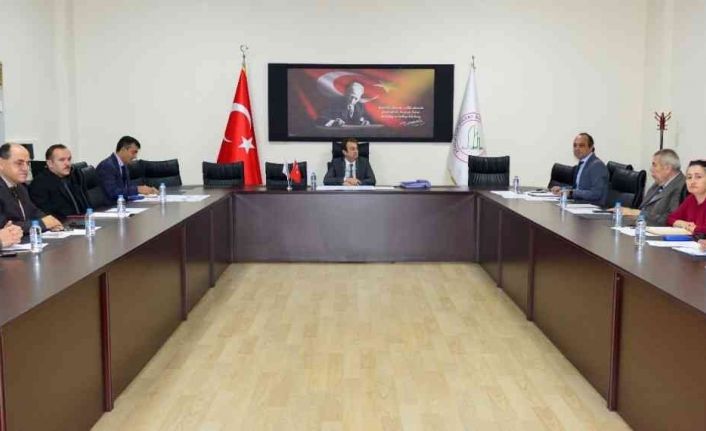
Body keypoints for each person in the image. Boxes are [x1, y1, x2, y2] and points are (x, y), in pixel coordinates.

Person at [0, 143, 63, 232]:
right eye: (19, 163)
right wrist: (43, 224)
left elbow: (33, 212)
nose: (26, 168)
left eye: (28, 163)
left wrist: (51, 221)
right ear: (1, 164)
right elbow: (4, 227)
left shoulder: (21, 187)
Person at [615, 149, 685, 225]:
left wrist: (638, 213)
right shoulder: (660, 182)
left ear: (667, 168)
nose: (651, 169)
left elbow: (671, 219)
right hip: (640, 226)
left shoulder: (682, 187)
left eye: (654, 165)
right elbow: (643, 207)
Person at [29, 144, 88, 219]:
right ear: (50, 163)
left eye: (69, 159)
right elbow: (46, 215)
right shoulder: (39, 184)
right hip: (63, 223)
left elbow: (85, 204)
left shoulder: (74, 176)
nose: (67, 164)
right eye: (62, 160)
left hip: (82, 220)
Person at [551, 132, 609, 206]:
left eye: (581, 145)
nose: (577, 149)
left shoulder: (597, 166)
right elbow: (578, 188)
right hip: (579, 205)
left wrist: (571, 193)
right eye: (575, 145)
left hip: (591, 207)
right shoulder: (582, 163)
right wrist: (562, 189)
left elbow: (596, 194)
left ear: (591, 147)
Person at [96, 136, 157, 201]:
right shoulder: (107, 166)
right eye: (133, 152)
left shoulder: (123, 165)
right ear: (123, 149)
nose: (135, 156)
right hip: (110, 205)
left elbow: (126, 189)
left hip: (123, 203)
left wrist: (147, 190)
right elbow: (113, 193)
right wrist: (137, 189)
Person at [667, 160, 706, 235]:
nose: (692, 181)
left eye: (698, 177)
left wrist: (695, 229)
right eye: (689, 177)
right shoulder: (690, 199)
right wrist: (683, 224)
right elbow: (670, 219)